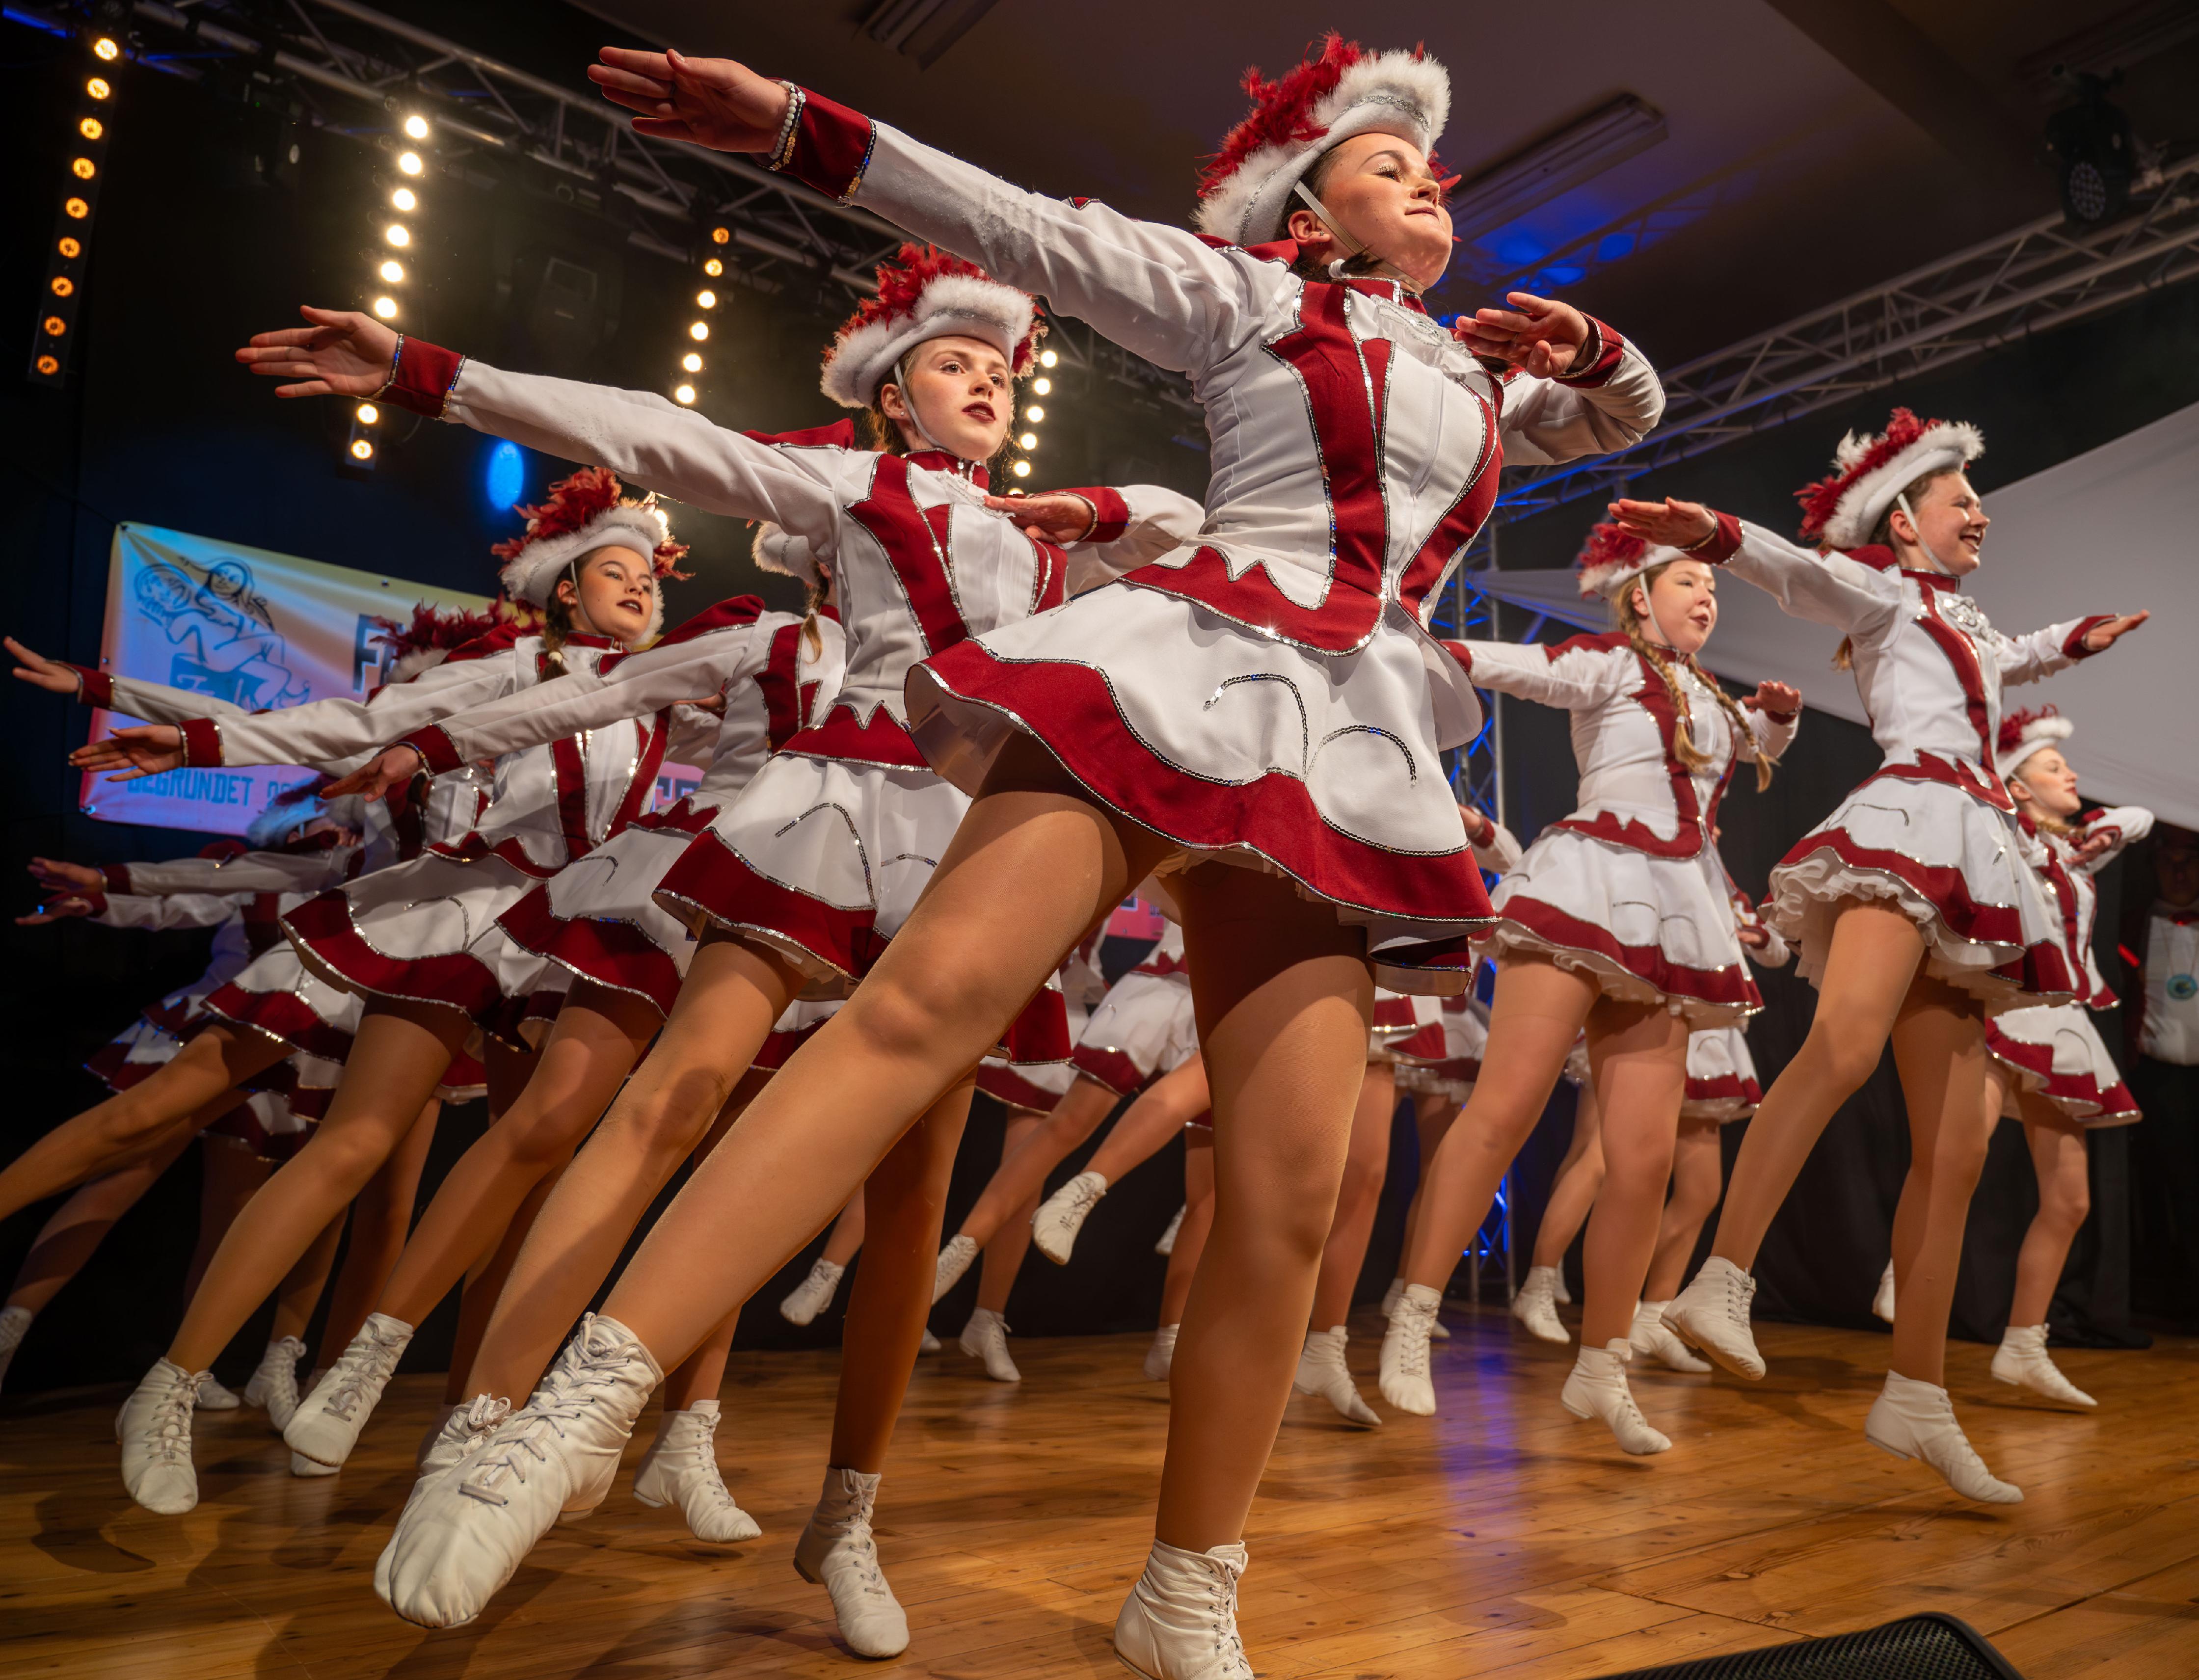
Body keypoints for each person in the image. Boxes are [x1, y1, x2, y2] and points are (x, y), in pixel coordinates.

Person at [233, 236, 1200, 1650]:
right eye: (954, 363)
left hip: (970, 848)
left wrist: (1095, 505)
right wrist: (436, 376)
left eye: (1002, 368)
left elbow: (1185, 524)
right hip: (833, 806)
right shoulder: (853, 489)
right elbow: (653, 433)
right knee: (674, 1095)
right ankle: (483, 1431)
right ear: (891, 398)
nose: (988, 382)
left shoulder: (1062, 542)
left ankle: (847, 1512)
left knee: (913, 1190)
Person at [80, 473, 688, 1514]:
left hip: (563, 936)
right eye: (615, 572)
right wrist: (187, 736)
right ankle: (170, 1384)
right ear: (563, 588)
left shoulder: (664, 697)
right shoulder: (506, 668)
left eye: (651, 578)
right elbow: (347, 720)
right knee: (354, 1144)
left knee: (527, 1182)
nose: (639, 588)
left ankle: (470, 1421)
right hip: (462, 915)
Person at [1615, 408, 2147, 1501]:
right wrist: (1714, 532)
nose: (1981, 515)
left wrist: (2076, 637)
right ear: (1902, 521)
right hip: (1909, 822)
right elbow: (1793, 570)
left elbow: (2009, 655)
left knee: (1955, 1151)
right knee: (1844, 1046)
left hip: (1976, 853)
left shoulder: (1961, 616)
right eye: (1962, 500)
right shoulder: (1879, 591)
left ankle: (1917, 1393)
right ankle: (1723, 1275)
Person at [1381, 522, 1798, 1457]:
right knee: (1504, 1111)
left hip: (1676, 906)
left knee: (1642, 1160)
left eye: (1714, 588)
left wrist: (1777, 719)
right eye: (1687, 582)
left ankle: (1602, 1367)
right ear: (1639, 595)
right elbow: (1524, 668)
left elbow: (1743, 752)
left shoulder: (1711, 697)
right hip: (1590, 881)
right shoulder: (1608, 662)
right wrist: (1424, 640)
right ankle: (1415, 1310)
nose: (1707, 596)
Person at [1877, 707, 2150, 1407]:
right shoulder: (2004, 833)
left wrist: (2087, 837)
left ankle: (2024, 1345)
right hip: (2012, 1007)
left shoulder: (2070, 851)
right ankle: (1903, 1272)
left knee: (2070, 1199)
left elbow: (2140, 817)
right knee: (1956, 1160)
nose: (2074, 775)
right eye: (2055, 767)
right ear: (2019, 787)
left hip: (2063, 1021)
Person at [1631, 885, 1789, 1373]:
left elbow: (1778, 950)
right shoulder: (1657, 866)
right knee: (1629, 1177)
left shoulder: (1715, 878)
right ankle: (1607, 1316)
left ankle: (1653, 1316)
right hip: (1663, 1019)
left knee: (1701, 1190)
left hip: (1711, 1036)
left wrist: (1754, 936)